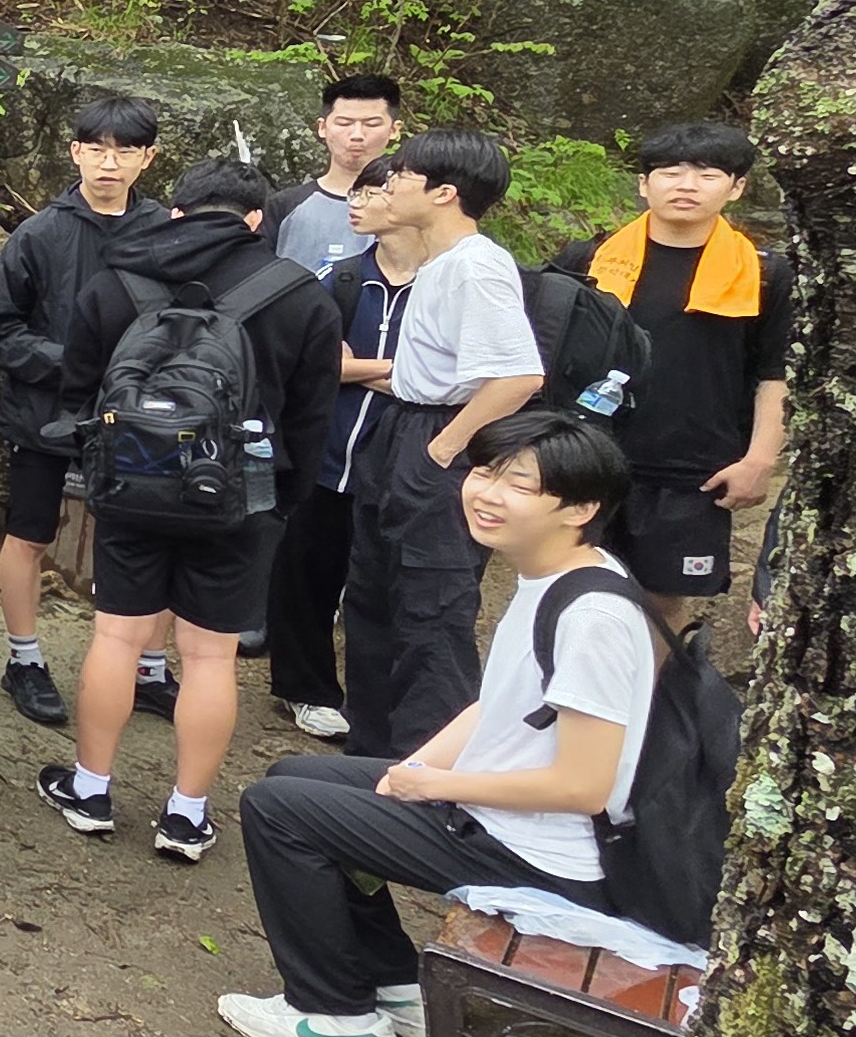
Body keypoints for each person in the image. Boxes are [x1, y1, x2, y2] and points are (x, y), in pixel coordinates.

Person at [218, 410, 653, 1037]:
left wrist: (437, 786)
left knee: (279, 812)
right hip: (503, 818)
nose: (487, 493)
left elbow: (583, 785)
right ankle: (392, 982)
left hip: (542, 857)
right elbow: (497, 706)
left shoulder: (593, 617)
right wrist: (413, 767)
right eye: (483, 472)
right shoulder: (553, 576)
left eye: (520, 484)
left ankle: (336, 1016)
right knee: (296, 772)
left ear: (581, 508)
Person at [33, 162, 342, 863]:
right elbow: (311, 419)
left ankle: (90, 789)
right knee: (209, 656)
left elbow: (78, 393)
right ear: (257, 220)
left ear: (176, 213)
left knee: (116, 639)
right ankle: (186, 814)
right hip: (242, 498)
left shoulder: (117, 282)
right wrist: (280, 504)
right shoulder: (300, 297)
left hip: (132, 493)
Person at [338, 131, 548, 758]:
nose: (389, 185)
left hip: (437, 437)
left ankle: (431, 772)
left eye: (401, 176)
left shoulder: (476, 266)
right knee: (374, 598)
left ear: (444, 193)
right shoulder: (441, 263)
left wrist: (445, 448)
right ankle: (373, 758)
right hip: (401, 426)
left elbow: (519, 375)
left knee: (431, 611)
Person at [0, 95, 168, 724]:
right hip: (44, 413)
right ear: (75, 151)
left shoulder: (166, 232)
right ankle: (24, 657)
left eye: (125, 150)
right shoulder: (41, 233)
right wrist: (73, 364)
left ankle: (149, 668)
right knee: (28, 532)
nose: (109, 163)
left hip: (141, 415)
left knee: (147, 537)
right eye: (97, 148)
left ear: (147, 157)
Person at [546, 122, 791, 633]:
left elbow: (775, 372)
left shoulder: (765, 273)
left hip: (692, 468)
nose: (686, 184)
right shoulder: (587, 260)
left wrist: (760, 460)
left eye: (707, 173)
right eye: (670, 171)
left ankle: (652, 711)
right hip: (587, 456)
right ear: (643, 183)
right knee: (562, 589)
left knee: (661, 606)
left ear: (737, 187)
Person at [266, 157, 421, 743]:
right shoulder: (345, 278)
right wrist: (398, 370)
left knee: (381, 586)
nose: (356, 202)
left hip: (400, 461)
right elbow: (319, 360)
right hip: (328, 453)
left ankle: (379, 704)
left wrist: (364, 370)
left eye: (374, 191)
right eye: (355, 191)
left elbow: (459, 374)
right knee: (308, 573)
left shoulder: (446, 282)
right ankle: (304, 688)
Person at [259, 73, 404, 284]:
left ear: (394, 130)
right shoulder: (285, 205)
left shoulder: (409, 206)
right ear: (322, 127)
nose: (357, 134)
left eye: (371, 124)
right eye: (344, 123)